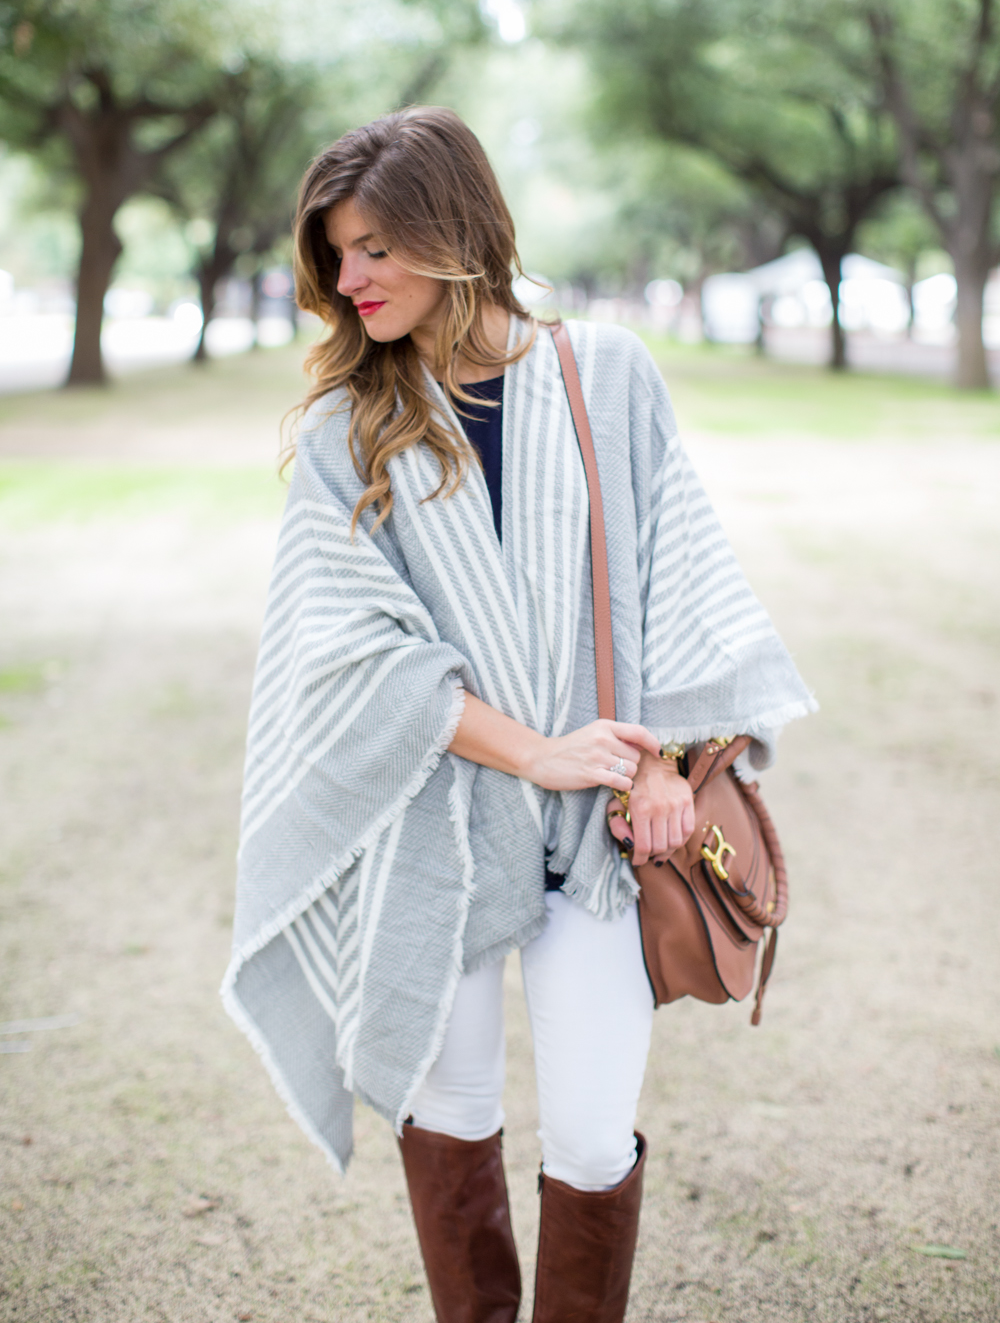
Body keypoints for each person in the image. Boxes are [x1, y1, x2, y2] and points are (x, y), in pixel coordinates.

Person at [222, 107, 814, 1323]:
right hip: (431, 820)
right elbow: (350, 652)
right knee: (452, 1115)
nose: (352, 280)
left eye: (377, 246)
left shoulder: (606, 373)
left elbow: (681, 584)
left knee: (593, 1140)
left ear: (456, 231)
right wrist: (534, 750)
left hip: (604, 830)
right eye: (337, 254)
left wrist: (666, 769)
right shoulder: (351, 427)